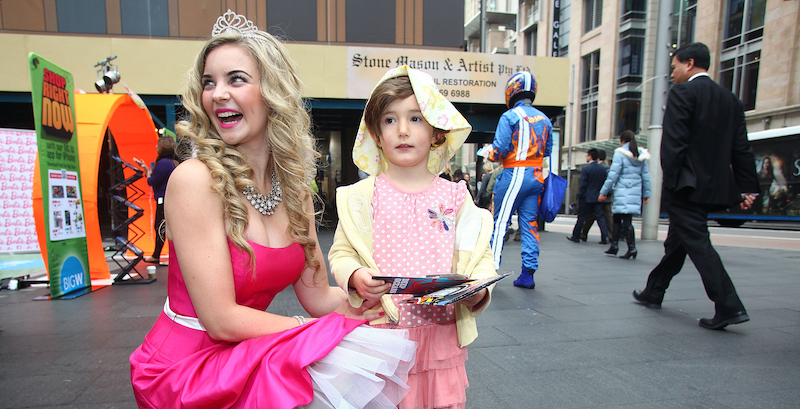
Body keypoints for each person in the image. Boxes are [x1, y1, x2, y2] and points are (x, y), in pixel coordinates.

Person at [128, 10, 416, 408]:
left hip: (251, 352)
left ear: (272, 93)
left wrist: (370, 297)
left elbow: (317, 296)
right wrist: (319, 331)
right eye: (209, 83)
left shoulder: (295, 189)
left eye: (236, 79)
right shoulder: (194, 180)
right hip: (187, 370)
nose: (218, 94)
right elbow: (221, 320)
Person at [332, 66, 497, 409]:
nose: (403, 130)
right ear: (375, 133)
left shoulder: (455, 197)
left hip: (439, 338)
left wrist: (475, 291)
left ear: (437, 131)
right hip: (380, 336)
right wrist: (355, 276)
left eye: (416, 118)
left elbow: (479, 258)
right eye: (390, 120)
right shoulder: (362, 197)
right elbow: (342, 252)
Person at [632, 42, 759, 330]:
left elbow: (673, 144)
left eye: (674, 67)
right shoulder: (730, 100)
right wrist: (747, 188)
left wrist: (672, 184)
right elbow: (742, 149)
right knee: (679, 241)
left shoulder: (683, 92)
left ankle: (729, 305)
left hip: (686, 187)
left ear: (689, 64)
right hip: (714, 188)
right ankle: (655, 290)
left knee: (698, 243)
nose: (673, 74)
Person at [486, 71, 552, 289]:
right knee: (530, 225)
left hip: (514, 173)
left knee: (500, 222)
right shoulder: (545, 119)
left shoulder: (510, 117)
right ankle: (528, 274)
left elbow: (499, 150)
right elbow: (548, 150)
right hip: (535, 176)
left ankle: (490, 272)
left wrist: (489, 153)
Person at [598, 130, 651, 259]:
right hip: (635, 191)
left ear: (622, 140)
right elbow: (646, 176)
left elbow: (613, 175)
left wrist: (603, 192)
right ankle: (616, 246)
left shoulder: (620, 154)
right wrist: (646, 193)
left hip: (623, 190)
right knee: (623, 219)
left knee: (622, 220)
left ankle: (629, 248)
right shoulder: (640, 155)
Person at [134, 136, 178, 265]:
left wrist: (147, 172)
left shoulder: (163, 163)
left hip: (163, 200)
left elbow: (152, 181)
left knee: (160, 227)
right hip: (170, 199)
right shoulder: (173, 162)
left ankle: (156, 255)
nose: (155, 147)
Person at [567, 148, 610, 244]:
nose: (586, 157)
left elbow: (583, 184)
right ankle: (605, 237)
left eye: (587, 156)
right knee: (600, 217)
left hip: (586, 197)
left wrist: (579, 195)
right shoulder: (603, 169)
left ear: (590, 156)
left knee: (582, 217)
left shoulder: (586, 169)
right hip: (598, 197)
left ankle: (576, 236)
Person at [580, 149, 613, 243]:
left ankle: (583, 234)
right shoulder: (605, 167)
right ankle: (607, 236)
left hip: (599, 197)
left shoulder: (601, 168)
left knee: (596, 216)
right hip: (601, 196)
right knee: (602, 217)